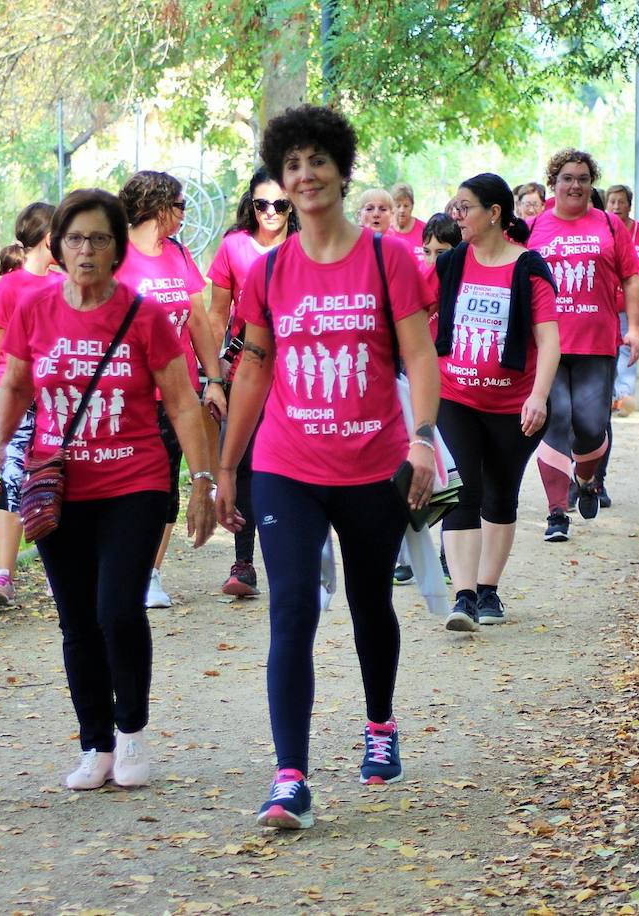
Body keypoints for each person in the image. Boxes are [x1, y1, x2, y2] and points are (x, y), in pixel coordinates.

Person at [215, 105, 439, 830]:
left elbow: (418, 355)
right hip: (288, 465)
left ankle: (380, 724)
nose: (305, 175)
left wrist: (424, 439)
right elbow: (253, 370)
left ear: (342, 170)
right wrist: (227, 466)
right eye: (292, 165)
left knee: (371, 602)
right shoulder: (269, 270)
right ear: (279, 182)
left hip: (374, 465)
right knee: (292, 608)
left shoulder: (387, 258)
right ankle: (290, 778)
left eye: (317, 161)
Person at [0, 189, 217, 791]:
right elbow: (15, 384)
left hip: (133, 482)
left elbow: (182, 402)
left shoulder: (144, 316)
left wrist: (202, 480)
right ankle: (96, 744)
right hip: (58, 485)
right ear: (57, 246)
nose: (86, 250)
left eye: (99, 239)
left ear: (117, 249)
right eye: (76, 239)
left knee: (117, 609)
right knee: (77, 621)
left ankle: (131, 730)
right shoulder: (34, 309)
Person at [427, 174, 559, 631]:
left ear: (494, 213)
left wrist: (539, 396)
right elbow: (413, 310)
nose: (456, 216)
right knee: (463, 490)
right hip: (455, 397)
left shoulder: (529, 268)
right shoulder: (451, 263)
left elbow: (549, 339)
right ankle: (463, 597)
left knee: (500, 494)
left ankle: (488, 590)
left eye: (465, 208)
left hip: (514, 406)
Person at [115, 171, 224, 609]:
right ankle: (117, 564)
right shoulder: (115, 255)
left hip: (176, 391)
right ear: (158, 207)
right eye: (179, 206)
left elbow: (197, 319)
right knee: (125, 483)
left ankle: (150, 573)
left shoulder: (178, 252)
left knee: (164, 483)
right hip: (127, 391)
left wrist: (214, 379)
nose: (183, 214)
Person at [526, 149, 639, 542]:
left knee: (591, 427)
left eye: (582, 178)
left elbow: (631, 278)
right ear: (553, 184)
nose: (575, 185)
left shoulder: (609, 225)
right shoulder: (534, 228)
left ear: (592, 184)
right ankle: (556, 512)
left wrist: (634, 328)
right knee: (556, 419)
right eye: (567, 178)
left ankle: (586, 478)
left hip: (597, 343)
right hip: (548, 345)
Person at [206, 168, 296, 597]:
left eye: (280, 204)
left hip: (297, 372)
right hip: (247, 370)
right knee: (243, 463)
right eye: (262, 204)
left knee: (292, 466)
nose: (271, 212)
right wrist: (212, 375)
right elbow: (216, 315)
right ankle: (243, 563)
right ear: (251, 205)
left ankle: (291, 556)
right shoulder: (234, 247)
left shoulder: (306, 246)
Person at [0, 203, 61, 606]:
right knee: (11, 477)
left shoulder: (63, 284)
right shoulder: (7, 288)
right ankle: (4, 574)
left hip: (56, 397)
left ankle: (59, 572)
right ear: (49, 238)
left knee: (54, 478)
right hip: (16, 397)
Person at [603, 185, 639, 419]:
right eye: (612, 202)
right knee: (608, 351)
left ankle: (624, 395)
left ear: (630, 204)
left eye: (621, 202)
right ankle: (608, 396)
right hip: (606, 303)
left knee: (628, 347)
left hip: (631, 302)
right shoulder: (601, 231)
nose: (617, 207)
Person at [388, 182, 427, 263]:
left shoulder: (425, 230)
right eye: (398, 206)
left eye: (406, 206)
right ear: (392, 207)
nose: (402, 210)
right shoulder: (385, 231)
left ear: (412, 206)